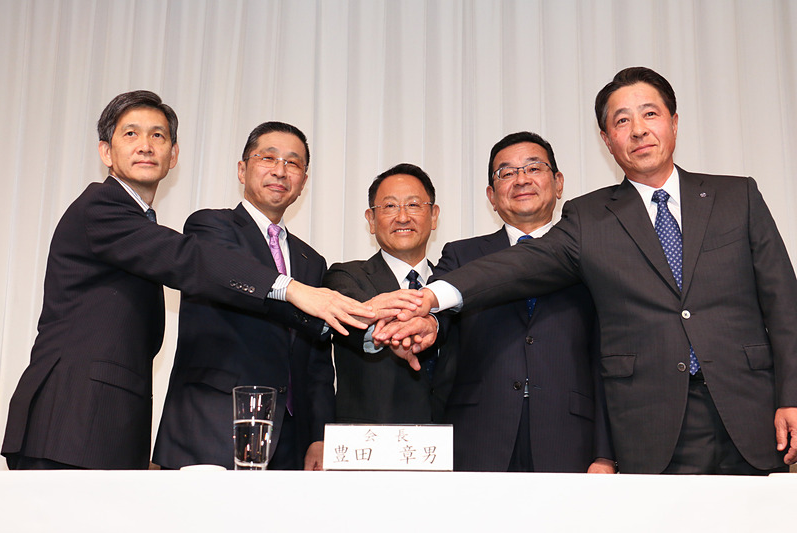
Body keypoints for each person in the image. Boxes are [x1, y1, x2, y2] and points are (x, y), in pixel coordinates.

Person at [380, 67, 797, 474]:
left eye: (650, 114)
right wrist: (430, 297)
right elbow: (519, 264)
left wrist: (792, 395)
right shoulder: (590, 217)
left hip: (753, 411)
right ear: (606, 140)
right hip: (652, 424)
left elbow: (784, 305)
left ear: (673, 122)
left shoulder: (737, 196)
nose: (638, 130)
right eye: (622, 121)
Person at [1, 92, 375, 470]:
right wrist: (293, 289)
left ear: (174, 155)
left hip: (107, 421)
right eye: (131, 134)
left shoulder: (137, 222)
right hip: (72, 419)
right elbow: (189, 258)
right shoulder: (101, 206)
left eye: (158, 136)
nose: (145, 145)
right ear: (106, 152)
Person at [154, 121, 344, 470]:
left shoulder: (312, 261)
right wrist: (293, 291)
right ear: (242, 170)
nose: (280, 171)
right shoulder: (209, 227)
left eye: (293, 163)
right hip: (212, 428)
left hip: (290, 440)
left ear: (303, 181)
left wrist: (319, 435)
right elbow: (239, 278)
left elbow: (317, 364)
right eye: (268, 158)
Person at [432, 131, 613, 472]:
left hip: (570, 436)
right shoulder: (461, 255)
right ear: (491, 195)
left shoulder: (594, 255)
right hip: (478, 436)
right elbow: (435, 320)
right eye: (507, 173)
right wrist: (420, 323)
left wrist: (605, 453)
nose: (521, 180)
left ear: (558, 183)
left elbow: (608, 356)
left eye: (533, 168)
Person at [323, 163, 451, 424]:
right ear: (371, 220)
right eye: (390, 206)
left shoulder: (452, 286)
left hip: (453, 438)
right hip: (372, 439)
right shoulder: (346, 277)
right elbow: (353, 319)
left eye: (413, 205)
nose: (402, 217)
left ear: (434, 215)